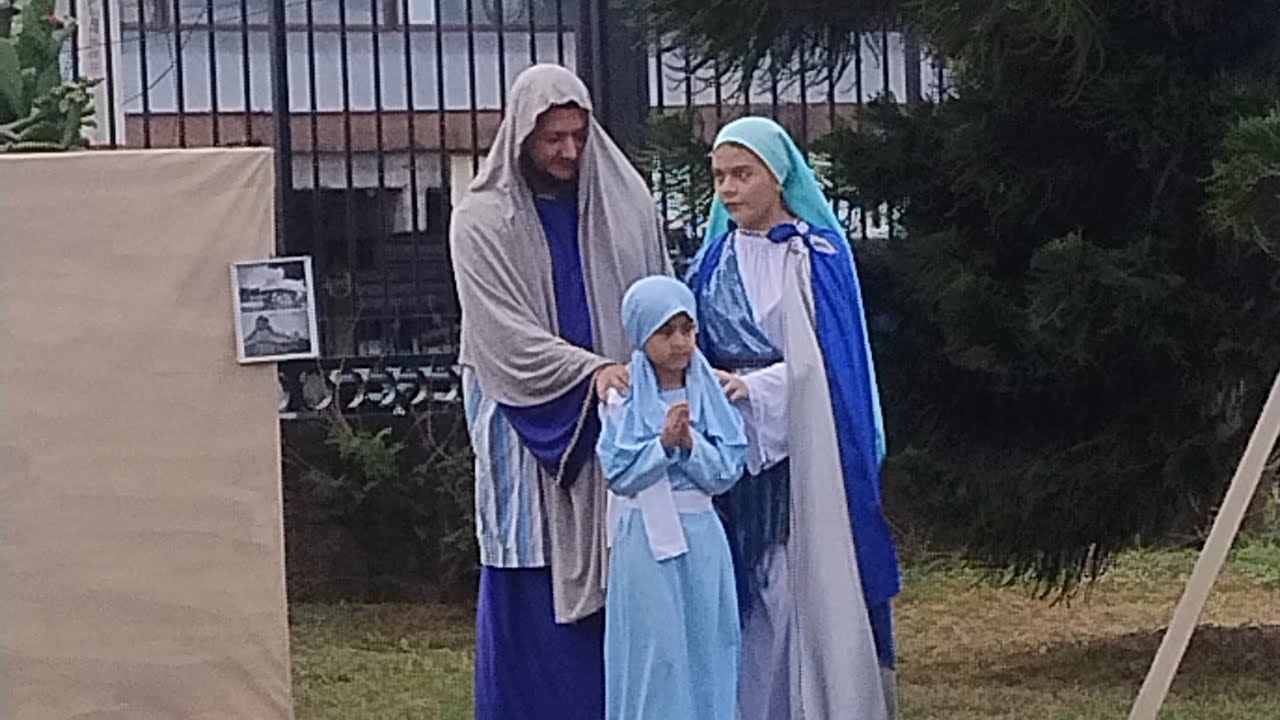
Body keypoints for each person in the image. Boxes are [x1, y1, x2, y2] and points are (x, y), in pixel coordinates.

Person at [449, 64, 670, 720]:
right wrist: (588, 374)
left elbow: (658, 303)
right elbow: (503, 334)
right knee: (530, 564)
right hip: (523, 418)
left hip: (622, 423)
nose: (569, 152)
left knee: (624, 569)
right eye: (553, 139)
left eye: (578, 135)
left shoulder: (624, 203)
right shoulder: (481, 220)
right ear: (521, 136)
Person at [687, 115, 902, 719]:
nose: (729, 189)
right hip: (731, 455)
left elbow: (834, 368)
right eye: (720, 177)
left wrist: (758, 389)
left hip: (806, 452)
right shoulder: (710, 264)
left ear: (777, 177)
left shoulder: (818, 257)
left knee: (797, 589)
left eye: (742, 174)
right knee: (750, 597)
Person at [596, 275, 747, 720]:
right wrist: (662, 446)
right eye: (667, 332)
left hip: (701, 538)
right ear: (643, 335)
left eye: (688, 330)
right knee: (655, 650)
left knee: (706, 642)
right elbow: (619, 472)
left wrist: (690, 446)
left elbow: (726, 468)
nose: (680, 343)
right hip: (645, 541)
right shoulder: (622, 397)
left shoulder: (712, 394)